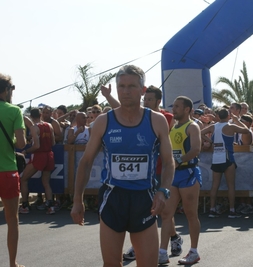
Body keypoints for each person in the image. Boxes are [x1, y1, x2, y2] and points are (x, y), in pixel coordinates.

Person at [71, 65, 175, 267]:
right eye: (121, 86)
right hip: (113, 197)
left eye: (131, 86)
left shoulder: (156, 120)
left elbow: (169, 161)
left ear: (143, 90)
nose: (126, 91)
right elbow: (85, 162)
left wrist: (163, 191)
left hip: (144, 198)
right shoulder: (103, 121)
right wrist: (77, 200)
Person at [158, 96, 202, 265]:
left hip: (188, 173)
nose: (173, 109)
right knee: (166, 213)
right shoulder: (172, 126)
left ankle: (194, 251)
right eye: (173, 106)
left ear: (187, 109)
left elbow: (196, 149)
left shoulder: (193, 127)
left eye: (177, 106)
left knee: (191, 214)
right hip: (173, 175)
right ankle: (162, 252)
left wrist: (179, 160)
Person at [201, 108, 251, 218]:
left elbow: (200, 133)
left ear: (218, 116)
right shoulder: (230, 126)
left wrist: (210, 141)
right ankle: (232, 210)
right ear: (228, 116)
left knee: (214, 185)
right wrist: (237, 120)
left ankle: (212, 209)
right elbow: (247, 130)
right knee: (231, 186)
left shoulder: (213, 126)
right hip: (228, 158)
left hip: (216, 158)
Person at [0, 74, 26, 267]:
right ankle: (12, 263)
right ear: (7, 90)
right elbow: (22, 144)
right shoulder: (14, 111)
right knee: (12, 219)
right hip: (7, 171)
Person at [19, 108, 56, 215]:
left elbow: (36, 146)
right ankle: (51, 206)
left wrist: (26, 151)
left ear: (31, 116)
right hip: (49, 154)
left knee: (23, 179)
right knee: (46, 182)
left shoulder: (34, 128)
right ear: (41, 115)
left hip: (39, 155)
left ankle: (25, 205)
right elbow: (53, 143)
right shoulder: (49, 126)